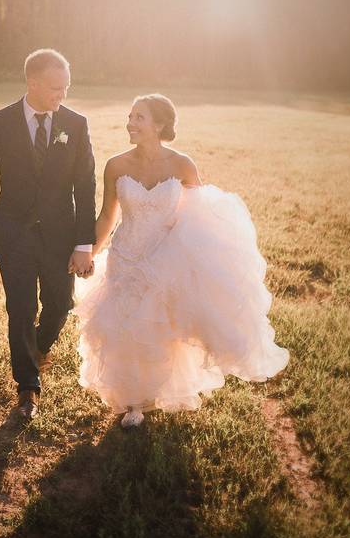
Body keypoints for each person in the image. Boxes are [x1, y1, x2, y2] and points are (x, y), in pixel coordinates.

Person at [74, 94, 289, 428]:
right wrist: (88, 251)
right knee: (126, 327)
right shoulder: (116, 165)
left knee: (160, 328)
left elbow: (202, 215)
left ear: (159, 125)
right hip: (125, 255)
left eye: (139, 118)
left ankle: (155, 392)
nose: (130, 123)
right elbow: (106, 215)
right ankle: (133, 401)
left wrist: (194, 256)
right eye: (130, 116)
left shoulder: (183, 165)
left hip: (165, 258)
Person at [0, 49, 97, 419]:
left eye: (66, 87)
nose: (62, 95)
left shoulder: (75, 124)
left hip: (61, 235)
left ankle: (40, 348)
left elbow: (85, 185)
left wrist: (83, 242)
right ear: (32, 83)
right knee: (22, 309)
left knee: (61, 304)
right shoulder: (0, 122)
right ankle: (27, 388)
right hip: (14, 234)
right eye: (56, 88)